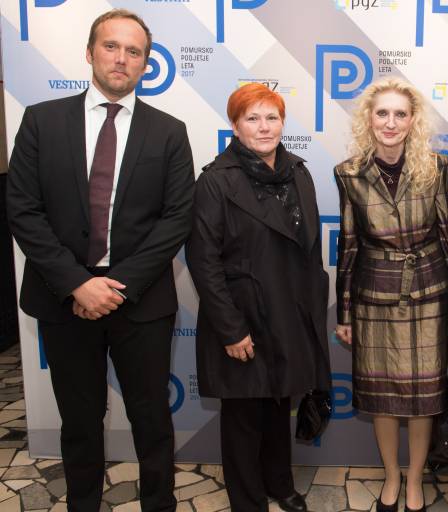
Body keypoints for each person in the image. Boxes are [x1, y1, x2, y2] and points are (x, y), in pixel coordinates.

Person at [6, 9, 194, 511]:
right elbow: (23, 209)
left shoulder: (169, 131)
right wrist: (77, 283)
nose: (121, 58)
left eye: (134, 51)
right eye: (111, 46)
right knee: (79, 420)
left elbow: (177, 218)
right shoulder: (42, 121)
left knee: (152, 420)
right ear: (90, 53)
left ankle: (159, 505)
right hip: (63, 297)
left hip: (140, 299)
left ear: (146, 64)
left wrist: (116, 286)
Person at [186, 83, 330, 512]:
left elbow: (309, 250)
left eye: (272, 117)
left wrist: (310, 315)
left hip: (289, 313)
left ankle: (279, 484)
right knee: (244, 416)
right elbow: (204, 261)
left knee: (279, 404)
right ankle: (248, 501)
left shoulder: (299, 172)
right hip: (242, 317)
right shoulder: (215, 181)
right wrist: (231, 329)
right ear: (235, 126)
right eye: (252, 118)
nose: (264, 127)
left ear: (283, 123)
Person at [333, 77, 448, 512]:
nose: (390, 122)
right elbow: (348, 245)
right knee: (381, 398)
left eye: (400, 114)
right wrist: (344, 313)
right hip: (374, 296)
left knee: (424, 398)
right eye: (382, 112)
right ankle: (391, 477)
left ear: (412, 120)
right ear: (369, 118)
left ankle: (415, 480)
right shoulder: (348, 173)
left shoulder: (436, 166)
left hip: (428, 293)